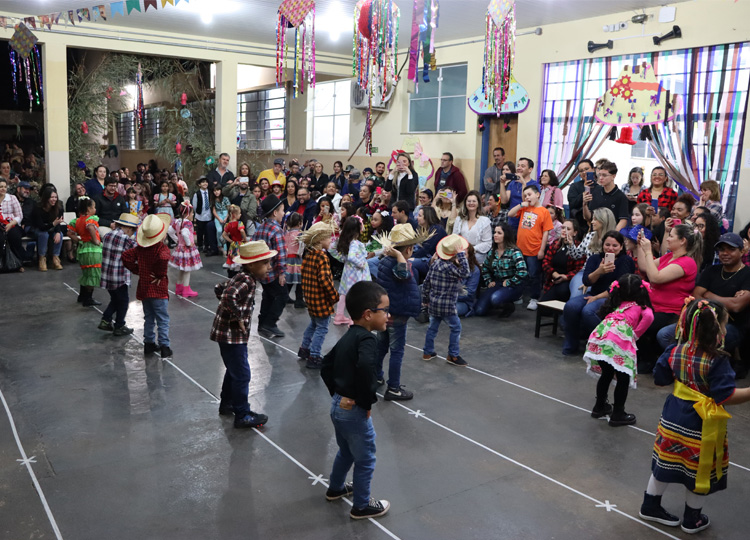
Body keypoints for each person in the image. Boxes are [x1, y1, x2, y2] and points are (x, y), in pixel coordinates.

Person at [638, 299, 750, 534]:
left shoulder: (674, 350)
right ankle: (693, 518)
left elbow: (660, 379)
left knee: (665, 461)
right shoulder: (718, 360)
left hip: (672, 417)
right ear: (718, 328)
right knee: (700, 467)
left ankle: (650, 505)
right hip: (701, 423)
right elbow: (725, 395)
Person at [320, 280, 391, 520]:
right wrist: (366, 402)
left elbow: (325, 365)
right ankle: (361, 505)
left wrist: (337, 394)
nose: (388, 316)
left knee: (347, 450)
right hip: (353, 410)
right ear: (368, 314)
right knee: (366, 457)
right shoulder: (368, 340)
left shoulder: (350, 335)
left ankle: (336, 488)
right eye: (385, 310)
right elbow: (366, 370)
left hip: (338, 406)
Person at [656, 232, 750, 376]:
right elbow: (696, 295)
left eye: (731, 249)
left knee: (709, 338)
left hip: (730, 326)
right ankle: (687, 365)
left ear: (742, 251)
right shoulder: (712, 270)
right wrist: (725, 300)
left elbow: (737, 306)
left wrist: (707, 295)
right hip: (700, 320)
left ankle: (700, 371)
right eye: (722, 249)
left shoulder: (747, 274)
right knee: (664, 335)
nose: (725, 253)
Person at [211, 241, 274, 429]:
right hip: (231, 335)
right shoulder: (246, 280)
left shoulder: (242, 277)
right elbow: (228, 296)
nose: (269, 267)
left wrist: (228, 310)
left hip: (229, 334)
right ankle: (242, 414)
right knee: (242, 374)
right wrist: (237, 315)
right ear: (252, 265)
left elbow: (219, 288)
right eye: (265, 263)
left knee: (234, 369)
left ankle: (227, 403)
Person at [583, 274, 655, 426]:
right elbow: (649, 318)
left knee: (607, 373)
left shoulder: (617, 303)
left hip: (600, 336)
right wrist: (635, 335)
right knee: (623, 378)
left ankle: (599, 407)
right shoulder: (643, 307)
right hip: (619, 339)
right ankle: (618, 413)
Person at [635, 224, 702, 372]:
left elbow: (655, 278)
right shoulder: (670, 257)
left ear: (682, 240)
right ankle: (647, 358)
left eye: (671, 236)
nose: (668, 239)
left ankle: (650, 361)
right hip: (655, 307)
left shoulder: (687, 262)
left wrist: (648, 250)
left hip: (671, 312)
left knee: (641, 323)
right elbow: (645, 267)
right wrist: (640, 246)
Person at [375, 224, 430, 401]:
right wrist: (399, 256)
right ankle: (394, 388)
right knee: (396, 351)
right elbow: (402, 275)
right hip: (397, 315)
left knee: (381, 346)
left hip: (385, 314)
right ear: (407, 249)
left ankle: (376, 376)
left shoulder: (384, 261)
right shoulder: (398, 263)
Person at [562, 231, 635, 355]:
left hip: (613, 296)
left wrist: (597, 297)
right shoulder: (595, 258)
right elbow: (587, 281)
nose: (610, 248)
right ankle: (571, 344)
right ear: (602, 245)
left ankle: (606, 342)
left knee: (588, 311)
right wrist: (599, 271)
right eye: (607, 245)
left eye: (615, 245)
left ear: (621, 246)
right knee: (570, 306)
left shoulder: (626, 261)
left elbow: (620, 286)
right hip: (593, 293)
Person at [122, 213, 173, 359]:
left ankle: (149, 343)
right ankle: (164, 346)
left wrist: (137, 270)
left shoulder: (140, 249)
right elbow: (164, 258)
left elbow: (126, 256)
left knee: (149, 317)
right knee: (163, 318)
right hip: (158, 290)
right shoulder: (162, 249)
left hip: (144, 288)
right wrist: (160, 275)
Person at [422, 234, 471, 366]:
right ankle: (453, 355)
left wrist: (425, 299)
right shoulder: (451, 268)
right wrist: (461, 255)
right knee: (456, 328)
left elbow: (426, 283)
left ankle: (427, 352)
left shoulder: (435, 264)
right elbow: (466, 273)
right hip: (448, 306)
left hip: (434, 303)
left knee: (432, 328)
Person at [295, 222, 339, 369]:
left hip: (310, 298)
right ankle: (314, 356)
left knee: (313, 324)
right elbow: (325, 280)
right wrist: (334, 296)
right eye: (328, 238)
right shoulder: (322, 257)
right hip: (321, 300)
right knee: (322, 328)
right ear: (320, 241)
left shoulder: (308, 256)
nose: (331, 240)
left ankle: (304, 348)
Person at [508, 184, 554, 311]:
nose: (527, 197)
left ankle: (534, 297)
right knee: (520, 272)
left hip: (534, 249)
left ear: (537, 194)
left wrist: (542, 249)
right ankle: (518, 295)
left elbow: (546, 232)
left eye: (529, 195)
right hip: (520, 248)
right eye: (525, 195)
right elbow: (510, 214)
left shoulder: (544, 211)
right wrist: (521, 204)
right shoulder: (524, 209)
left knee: (534, 274)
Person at [251, 194, 288, 339]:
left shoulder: (260, 228)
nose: (283, 213)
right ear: (275, 212)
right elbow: (281, 254)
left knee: (268, 296)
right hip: (273, 272)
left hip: (261, 272)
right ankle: (270, 323)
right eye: (282, 210)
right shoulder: (276, 230)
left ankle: (262, 322)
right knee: (282, 295)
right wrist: (282, 273)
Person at [475, 222, 528, 317]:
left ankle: (508, 306)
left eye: (499, 233)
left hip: (513, 285)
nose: (495, 235)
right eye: (495, 232)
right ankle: (493, 303)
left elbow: (523, 271)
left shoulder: (514, 251)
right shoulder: (492, 251)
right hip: (498, 282)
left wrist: (509, 282)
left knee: (495, 298)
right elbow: (485, 268)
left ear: (506, 235)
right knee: (479, 310)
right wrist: (489, 281)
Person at [98, 213, 138, 336]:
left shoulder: (107, 235)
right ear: (129, 229)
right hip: (119, 276)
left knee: (115, 299)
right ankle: (119, 325)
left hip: (107, 275)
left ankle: (106, 320)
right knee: (123, 301)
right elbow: (137, 252)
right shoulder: (127, 239)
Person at [330, 216, 371, 326]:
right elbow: (352, 257)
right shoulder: (355, 243)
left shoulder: (344, 241)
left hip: (348, 272)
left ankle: (339, 315)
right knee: (357, 295)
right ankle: (354, 319)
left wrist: (342, 259)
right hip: (357, 273)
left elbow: (331, 248)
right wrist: (361, 263)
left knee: (344, 293)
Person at [68, 197, 103, 306]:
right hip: (92, 250)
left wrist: (79, 240)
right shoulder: (91, 219)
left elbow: (69, 233)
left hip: (83, 249)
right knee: (92, 274)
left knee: (86, 273)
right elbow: (91, 228)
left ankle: (82, 296)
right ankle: (88, 298)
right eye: (94, 207)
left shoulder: (77, 221)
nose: (95, 210)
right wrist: (95, 241)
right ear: (88, 209)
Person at [540, 219, 586, 302]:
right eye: (563, 228)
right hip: (553, 279)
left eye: (568, 229)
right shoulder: (555, 243)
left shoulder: (578, 247)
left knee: (562, 291)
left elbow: (579, 269)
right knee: (543, 306)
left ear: (575, 233)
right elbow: (545, 262)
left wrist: (565, 277)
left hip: (569, 281)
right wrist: (554, 274)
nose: (564, 231)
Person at [168, 201, 203, 297]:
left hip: (180, 248)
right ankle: (186, 289)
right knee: (187, 270)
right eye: (192, 213)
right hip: (187, 249)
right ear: (188, 213)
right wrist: (188, 243)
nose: (192, 215)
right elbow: (184, 233)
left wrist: (177, 241)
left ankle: (179, 288)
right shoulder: (188, 223)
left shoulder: (177, 221)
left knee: (182, 269)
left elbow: (170, 231)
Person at [582, 160, 629, 231]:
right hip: (594, 232)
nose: (601, 178)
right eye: (599, 175)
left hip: (610, 234)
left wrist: (613, 234)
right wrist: (584, 204)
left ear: (613, 176)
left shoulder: (621, 196)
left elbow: (623, 220)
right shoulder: (595, 191)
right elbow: (588, 217)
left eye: (604, 175)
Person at [452, 190, 492, 264]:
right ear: (465, 203)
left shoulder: (485, 221)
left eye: (474, 201)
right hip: (461, 251)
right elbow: (454, 237)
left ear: (478, 204)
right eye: (469, 201)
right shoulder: (459, 219)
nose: (471, 203)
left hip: (477, 253)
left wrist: (472, 249)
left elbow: (487, 243)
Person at [410, 206, 447, 282]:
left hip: (434, 260)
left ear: (427, 217)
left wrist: (410, 257)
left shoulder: (437, 230)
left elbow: (425, 250)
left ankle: (414, 289)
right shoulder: (421, 228)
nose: (417, 218)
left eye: (420, 216)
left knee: (409, 263)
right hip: (424, 258)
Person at [32, 187, 65, 271]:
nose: (54, 199)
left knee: (59, 234)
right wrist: (53, 224)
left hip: (51, 228)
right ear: (46, 198)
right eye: (52, 197)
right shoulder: (38, 208)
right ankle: (42, 258)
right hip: (37, 228)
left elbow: (58, 222)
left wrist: (57, 231)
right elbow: (41, 226)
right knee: (44, 234)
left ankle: (55, 257)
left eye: (55, 197)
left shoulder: (59, 208)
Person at [500, 157, 539, 228]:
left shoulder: (535, 185)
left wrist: (524, 184)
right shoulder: (512, 183)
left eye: (522, 166)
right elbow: (504, 201)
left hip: (526, 222)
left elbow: (526, 201)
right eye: (518, 166)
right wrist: (502, 183)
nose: (519, 168)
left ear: (530, 169)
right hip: (512, 221)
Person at [0, 178, 25, 270]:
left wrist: (10, 224)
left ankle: (18, 264)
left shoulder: (12, 198)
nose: (3, 189)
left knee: (14, 236)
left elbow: (19, 215)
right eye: (0, 187)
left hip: (12, 224)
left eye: (4, 187)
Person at [191, 176, 218, 256]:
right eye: (202, 182)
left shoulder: (210, 192)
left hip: (208, 215)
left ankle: (207, 245)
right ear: (199, 184)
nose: (205, 183)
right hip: (200, 215)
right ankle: (200, 245)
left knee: (207, 232)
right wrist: (197, 213)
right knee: (200, 231)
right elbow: (195, 205)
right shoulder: (197, 194)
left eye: (206, 182)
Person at [283, 212, 305, 308]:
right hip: (296, 260)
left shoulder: (286, 233)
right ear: (300, 223)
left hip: (287, 260)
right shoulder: (300, 234)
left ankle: (285, 297)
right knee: (299, 281)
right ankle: (299, 300)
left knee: (289, 280)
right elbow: (302, 248)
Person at [567, 159, 595, 230]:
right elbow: (573, 204)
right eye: (581, 171)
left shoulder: (599, 187)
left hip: (595, 223)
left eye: (586, 169)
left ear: (593, 169)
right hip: (579, 224)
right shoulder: (574, 186)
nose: (584, 172)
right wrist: (586, 188)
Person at [211, 184, 231, 256]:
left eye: (218, 190)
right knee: (219, 230)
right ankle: (220, 245)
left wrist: (226, 217)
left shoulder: (225, 198)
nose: (216, 192)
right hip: (218, 215)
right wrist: (219, 218)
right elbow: (214, 211)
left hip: (226, 214)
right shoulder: (213, 200)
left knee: (225, 231)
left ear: (221, 190)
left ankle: (225, 249)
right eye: (215, 191)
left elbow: (229, 209)